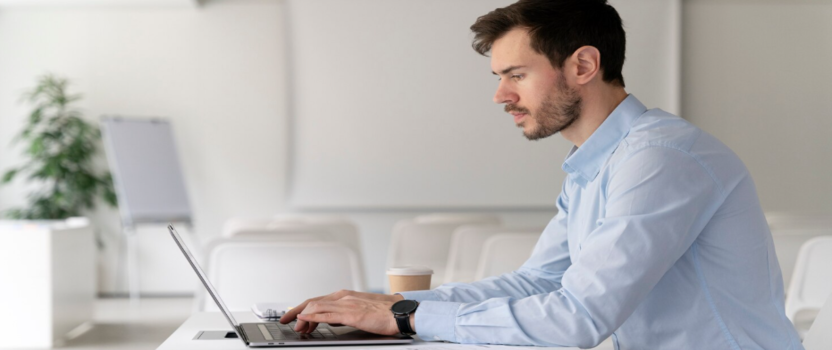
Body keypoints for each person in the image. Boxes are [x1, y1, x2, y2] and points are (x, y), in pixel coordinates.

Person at [280, 0, 804, 348]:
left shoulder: (662, 158)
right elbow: (539, 281)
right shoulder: (596, 163)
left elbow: (579, 318)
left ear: (583, 66)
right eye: (499, 76)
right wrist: (390, 304)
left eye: (516, 74)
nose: (500, 95)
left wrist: (403, 319)